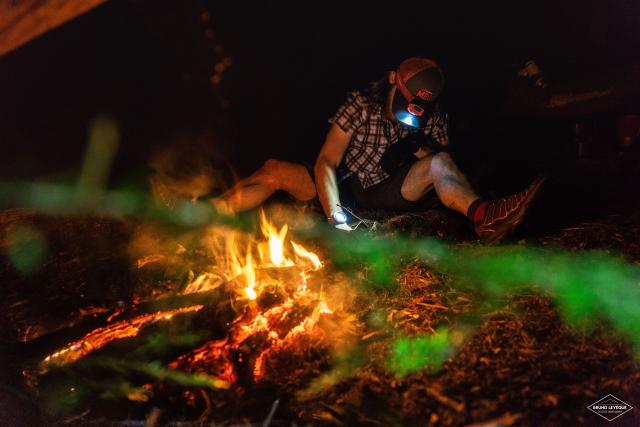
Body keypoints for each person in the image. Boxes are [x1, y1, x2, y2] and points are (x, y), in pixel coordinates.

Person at [212, 57, 544, 243]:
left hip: (387, 190)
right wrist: (336, 216)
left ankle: (485, 217)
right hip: (343, 185)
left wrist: (418, 151)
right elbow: (326, 160)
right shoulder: (360, 104)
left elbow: (442, 169)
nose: (413, 112)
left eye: (420, 108)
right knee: (274, 170)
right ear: (392, 80)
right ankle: (207, 215)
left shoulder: (434, 115)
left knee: (439, 162)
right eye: (407, 102)